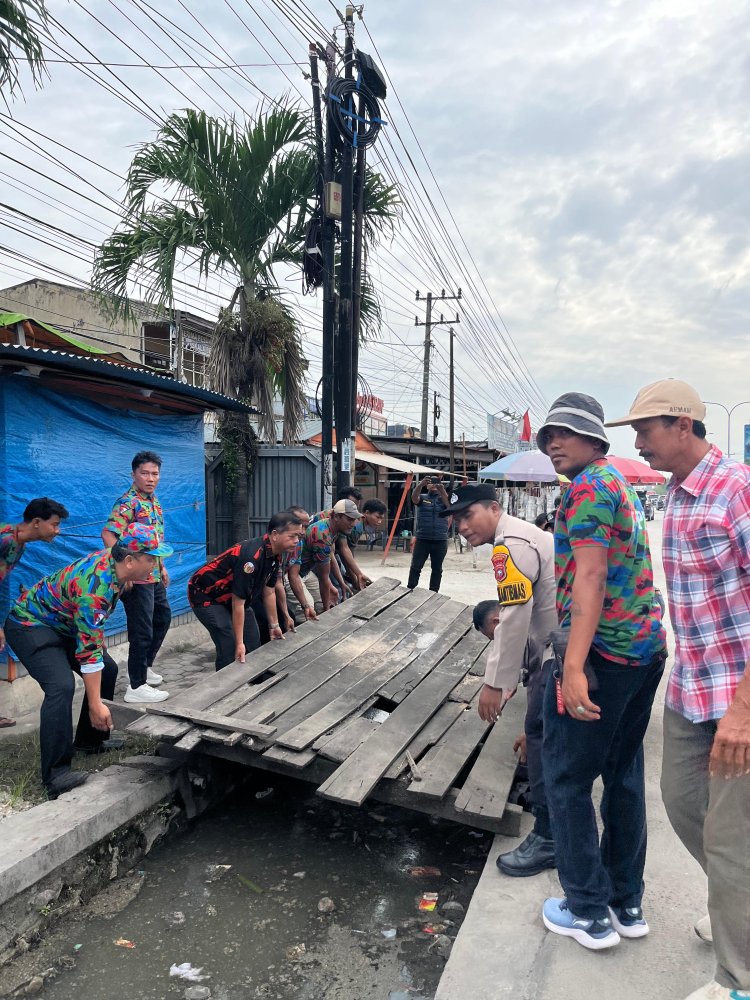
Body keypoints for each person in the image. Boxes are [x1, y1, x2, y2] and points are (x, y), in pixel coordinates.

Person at [607, 380, 750, 1000]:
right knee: (682, 803)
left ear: (684, 425)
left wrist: (744, 710)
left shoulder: (736, 490)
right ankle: (735, 906)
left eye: (645, 429)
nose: (639, 442)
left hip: (738, 696)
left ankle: (738, 977)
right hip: (691, 687)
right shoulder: (674, 495)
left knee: (732, 836)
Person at [536, 392, 667, 951]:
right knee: (623, 772)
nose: (552, 444)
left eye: (564, 433)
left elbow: (588, 578)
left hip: (607, 654)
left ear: (595, 439)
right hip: (646, 650)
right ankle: (625, 900)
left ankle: (587, 911)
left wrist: (571, 665)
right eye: (546, 437)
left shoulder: (588, 488)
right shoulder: (619, 484)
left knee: (566, 777)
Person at [4, 525, 173, 798]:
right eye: (150, 559)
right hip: (29, 625)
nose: (154, 565)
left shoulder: (117, 562)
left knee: (108, 669)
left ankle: (89, 742)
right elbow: (89, 651)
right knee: (61, 686)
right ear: (129, 560)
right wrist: (95, 703)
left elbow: (91, 642)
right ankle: (56, 775)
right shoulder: (95, 589)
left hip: (63, 624)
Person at [445, 484, 558, 877]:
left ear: (494, 508)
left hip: (556, 653)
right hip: (557, 648)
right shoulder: (525, 536)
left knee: (542, 740)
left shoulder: (509, 544)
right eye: (456, 520)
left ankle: (548, 838)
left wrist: (494, 682)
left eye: (467, 515)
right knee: (543, 734)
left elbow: (512, 615)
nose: (460, 526)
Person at [187, 512, 303, 671]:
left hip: (233, 597)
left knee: (253, 640)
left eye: (298, 536)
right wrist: (239, 644)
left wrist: (274, 625)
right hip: (206, 596)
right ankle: (225, 688)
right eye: (292, 536)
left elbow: (269, 591)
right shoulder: (251, 558)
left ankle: (251, 679)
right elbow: (238, 604)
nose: (296, 541)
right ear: (275, 535)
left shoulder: (276, 555)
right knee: (228, 641)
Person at [102, 451, 171, 704]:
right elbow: (109, 535)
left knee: (162, 618)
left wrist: (161, 567)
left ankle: (145, 666)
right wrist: (123, 569)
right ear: (134, 474)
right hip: (136, 578)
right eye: (145, 473)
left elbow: (154, 542)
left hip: (152, 574)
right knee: (141, 630)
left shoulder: (154, 501)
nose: (150, 478)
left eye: (155, 473)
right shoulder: (127, 502)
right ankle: (136, 686)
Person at [0, 497, 69, 728]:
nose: (57, 531)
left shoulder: (18, 540)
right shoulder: (7, 541)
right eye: (55, 524)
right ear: (37, 522)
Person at [287, 499, 361, 614]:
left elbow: (330, 558)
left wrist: (341, 583)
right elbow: (323, 577)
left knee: (322, 603)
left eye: (355, 519)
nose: (353, 523)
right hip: (291, 573)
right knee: (308, 607)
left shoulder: (332, 527)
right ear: (337, 517)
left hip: (305, 572)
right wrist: (327, 613)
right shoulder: (322, 535)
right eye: (350, 519)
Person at [310, 495, 387, 591]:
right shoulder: (354, 527)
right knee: (336, 585)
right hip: (315, 554)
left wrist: (357, 575)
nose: (379, 521)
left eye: (381, 518)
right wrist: (356, 577)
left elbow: (342, 553)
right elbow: (344, 552)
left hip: (327, 552)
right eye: (377, 517)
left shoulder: (345, 524)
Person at [407, 475, 450, 592]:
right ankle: (410, 589)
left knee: (437, 569)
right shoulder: (423, 497)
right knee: (416, 566)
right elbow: (414, 498)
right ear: (427, 485)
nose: (433, 484)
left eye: (436, 482)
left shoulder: (444, 499)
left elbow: (450, 506)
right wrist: (420, 485)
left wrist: (442, 490)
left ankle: (433, 592)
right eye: (431, 482)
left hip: (440, 540)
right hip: (423, 539)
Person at [282, 505, 317, 626]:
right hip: (272, 582)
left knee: (310, 605)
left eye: (306, 527)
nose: (302, 531)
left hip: (288, 576)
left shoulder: (300, 543)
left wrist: (305, 605)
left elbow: (294, 575)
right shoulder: (280, 544)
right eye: (300, 525)